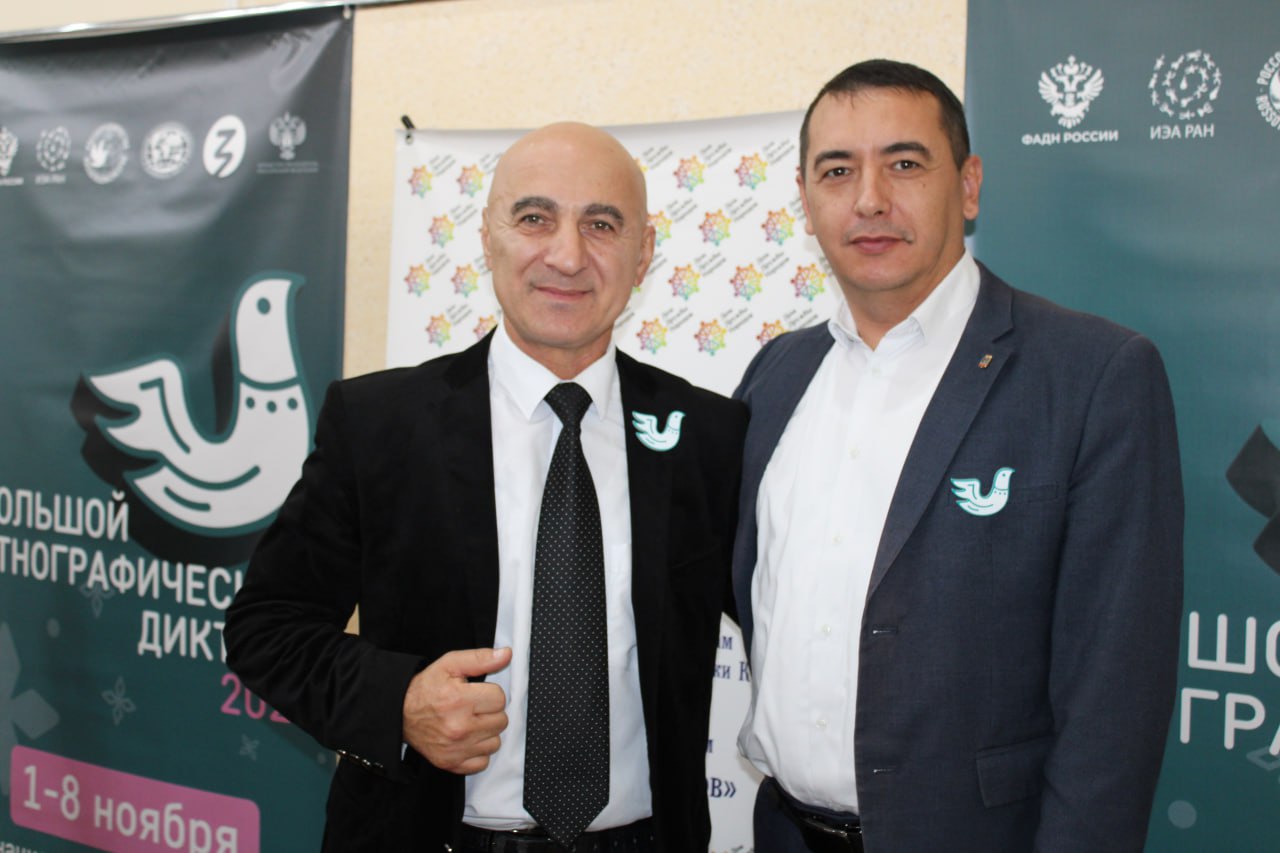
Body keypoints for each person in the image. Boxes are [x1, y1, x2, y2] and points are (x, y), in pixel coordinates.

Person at [224, 122, 745, 852]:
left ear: (644, 252)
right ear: (487, 237)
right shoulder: (378, 424)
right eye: (534, 218)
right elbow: (265, 627)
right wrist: (399, 701)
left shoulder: (709, 436)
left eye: (602, 224)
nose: (567, 255)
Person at [732, 59, 1183, 852]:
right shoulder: (776, 374)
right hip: (784, 833)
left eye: (905, 164)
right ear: (805, 199)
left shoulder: (1093, 376)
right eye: (837, 171)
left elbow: (1114, 704)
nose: (869, 199)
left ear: (969, 186)